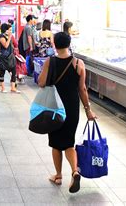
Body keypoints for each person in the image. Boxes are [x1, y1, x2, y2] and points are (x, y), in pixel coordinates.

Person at [38, 32, 96, 193]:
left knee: (56, 142)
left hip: (54, 107)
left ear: (55, 45)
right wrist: (88, 110)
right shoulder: (78, 64)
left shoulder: (51, 61)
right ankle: (75, 171)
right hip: (72, 108)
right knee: (69, 142)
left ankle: (58, 175)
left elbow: (41, 82)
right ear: (69, 44)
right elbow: (83, 89)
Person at [0, 23, 20, 93]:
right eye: (8, 29)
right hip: (4, 57)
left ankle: (13, 88)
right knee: (2, 72)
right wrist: (10, 37)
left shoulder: (9, 36)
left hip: (11, 56)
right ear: (5, 29)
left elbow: (13, 44)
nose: (10, 31)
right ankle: (2, 88)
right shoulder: (1, 36)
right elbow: (6, 45)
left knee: (14, 71)